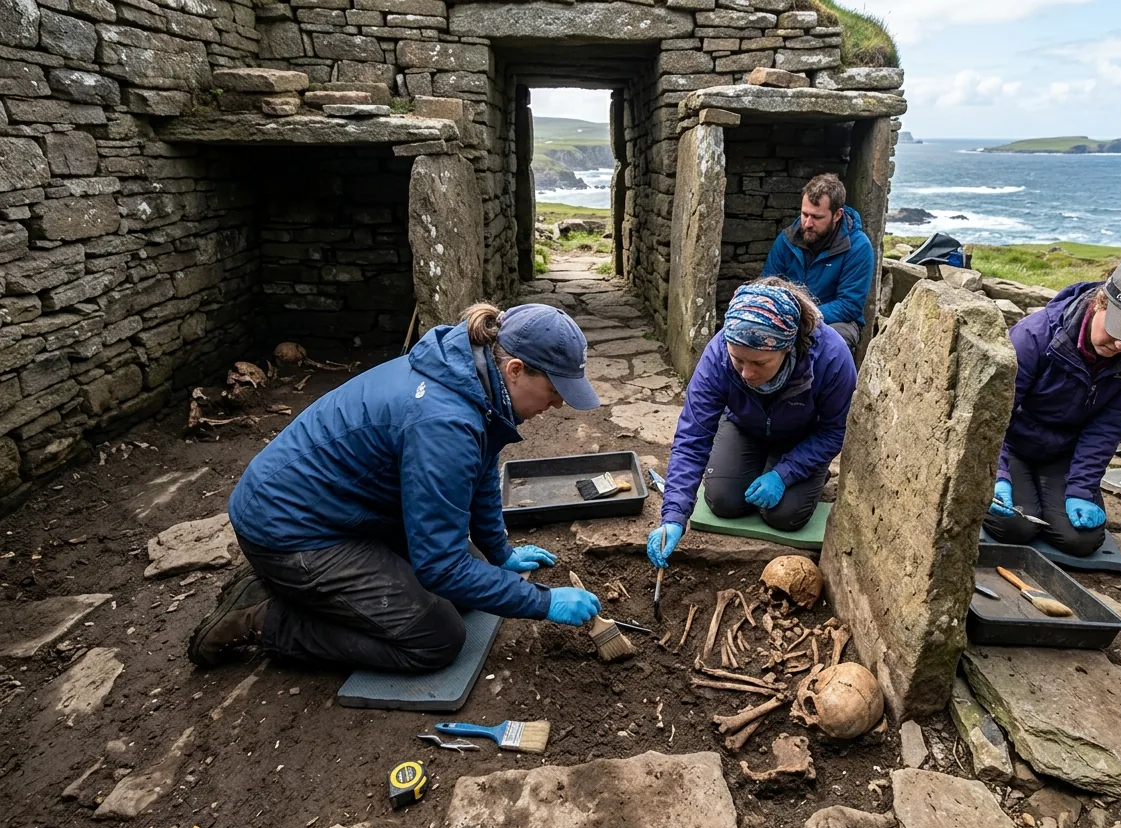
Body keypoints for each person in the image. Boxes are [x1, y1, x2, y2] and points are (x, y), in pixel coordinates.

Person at [188, 303, 604, 671]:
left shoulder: (472, 379)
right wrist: (543, 603)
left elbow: (479, 476)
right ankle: (262, 617)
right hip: (289, 529)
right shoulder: (445, 422)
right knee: (437, 638)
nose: (558, 404)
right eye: (554, 390)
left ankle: (300, 587)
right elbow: (440, 566)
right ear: (515, 370)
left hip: (339, 507)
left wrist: (501, 555)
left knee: (473, 582)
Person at [985, 255, 1121, 556]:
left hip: (1064, 451)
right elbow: (993, 416)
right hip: (1012, 443)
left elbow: (1112, 421)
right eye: (1119, 329)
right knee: (1014, 526)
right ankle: (1018, 484)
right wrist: (996, 473)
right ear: (1099, 302)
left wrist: (1081, 489)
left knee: (1081, 540)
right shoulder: (1033, 336)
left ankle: (1047, 491)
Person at [646, 280, 857, 566]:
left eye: (760, 363)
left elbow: (835, 430)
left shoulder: (831, 357)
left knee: (785, 516)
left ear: (788, 347)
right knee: (723, 502)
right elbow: (692, 436)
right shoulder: (718, 356)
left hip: (802, 437)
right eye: (738, 360)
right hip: (744, 426)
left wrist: (785, 473)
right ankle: (764, 463)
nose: (746, 373)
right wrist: (673, 516)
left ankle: (803, 472)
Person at [761, 173, 876, 352]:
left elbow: (849, 305)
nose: (807, 223)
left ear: (837, 215)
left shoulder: (859, 247)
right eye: (804, 214)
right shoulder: (786, 240)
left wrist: (802, 318)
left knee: (832, 345)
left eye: (817, 217)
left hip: (835, 321)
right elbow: (767, 286)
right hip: (787, 316)